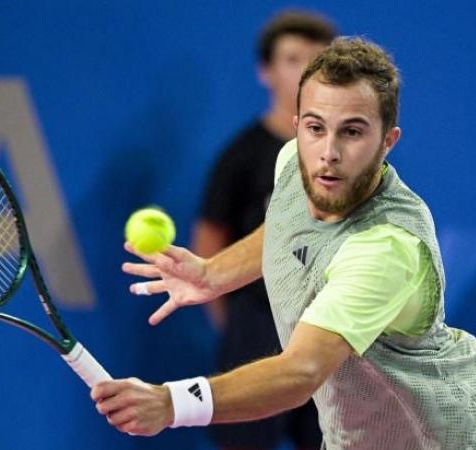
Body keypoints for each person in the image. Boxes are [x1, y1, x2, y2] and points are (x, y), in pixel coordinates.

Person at [92, 37, 476, 449]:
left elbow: (301, 373)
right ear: (297, 126)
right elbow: (284, 228)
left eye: (352, 132)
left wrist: (172, 404)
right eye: (316, 128)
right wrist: (212, 274)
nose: (328, 152)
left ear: (388, 141)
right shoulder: (295, 166)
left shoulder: (385, 247)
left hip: (470, 437)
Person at [192, 10, 335, 450]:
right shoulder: (241, 156)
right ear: (265, 72)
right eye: (293, 59)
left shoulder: (344, 156)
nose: (305, 71)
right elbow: (208, 249)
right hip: (257, 326)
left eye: (317, 60)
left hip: (329, 327)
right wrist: (239, 328)